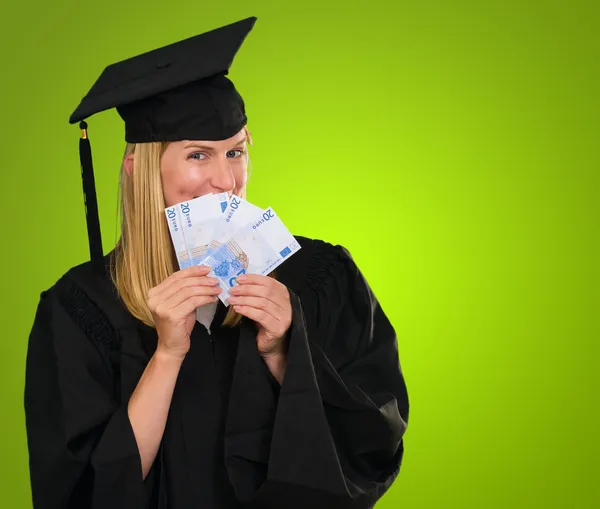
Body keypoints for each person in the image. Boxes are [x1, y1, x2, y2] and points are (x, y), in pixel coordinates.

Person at [24, 16, 410, 509]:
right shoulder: (82, 309)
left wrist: (284, 353)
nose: (226, 181)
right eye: (199, 155)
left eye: (235, 151)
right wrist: (166, 355)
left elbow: (374, 444)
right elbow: (80, 493)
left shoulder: (319, 276)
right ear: (140, 167)